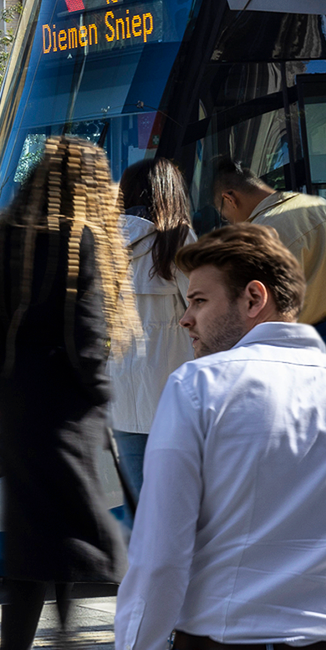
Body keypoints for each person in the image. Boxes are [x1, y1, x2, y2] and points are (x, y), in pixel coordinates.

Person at [105, 224, 326, 650]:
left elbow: (160, 557)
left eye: (200, 300)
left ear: (254, 297)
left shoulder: (198, 386)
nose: (185, 317)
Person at [0, 135, 136, 650]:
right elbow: (86, 336)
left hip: (15, 408)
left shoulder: (0, 234)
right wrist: (101, 400)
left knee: (37, 545)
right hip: (65, 413)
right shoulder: (78, 242)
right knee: (98, 541)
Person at [109, 157, 196, 502]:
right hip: (173, 392)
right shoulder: (178, 238)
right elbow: (203, 306)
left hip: (120, 396)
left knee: (143, 500)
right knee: (182, 498)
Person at [211, 159, 326, 351]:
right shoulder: (318, 205)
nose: (228, 221)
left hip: (295, 347)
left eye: (224, 214)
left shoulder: (258, 235)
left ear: (230, 198)